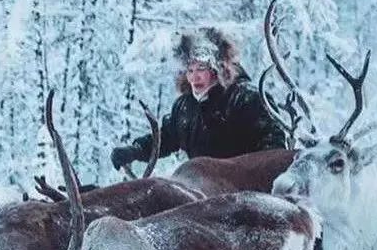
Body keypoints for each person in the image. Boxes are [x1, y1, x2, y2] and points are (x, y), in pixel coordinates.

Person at [111, 27, 286, 170]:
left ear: (217, 69)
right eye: (190, 70)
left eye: (201, 68)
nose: (195, 77)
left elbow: (273, 149)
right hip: (201, 195)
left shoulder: (248, 99)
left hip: (242, 194)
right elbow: (166, 138)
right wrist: (135, 151)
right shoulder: (184, 107)